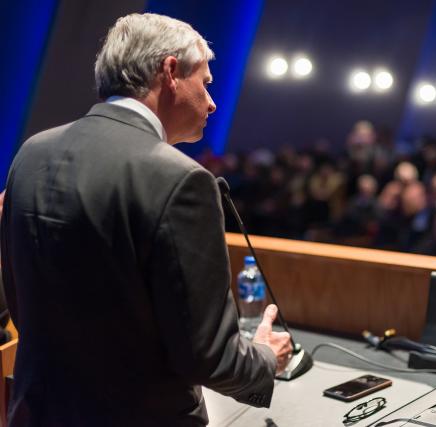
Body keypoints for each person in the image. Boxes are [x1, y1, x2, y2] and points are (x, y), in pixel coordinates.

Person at [0, 13, 292, 427]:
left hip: (38, 411)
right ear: (170, 71)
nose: (212, 102)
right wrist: (265, 357)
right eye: (206, 83)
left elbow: (21, 301)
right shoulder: (180, 179)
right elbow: (209, 355)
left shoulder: (32, 152)